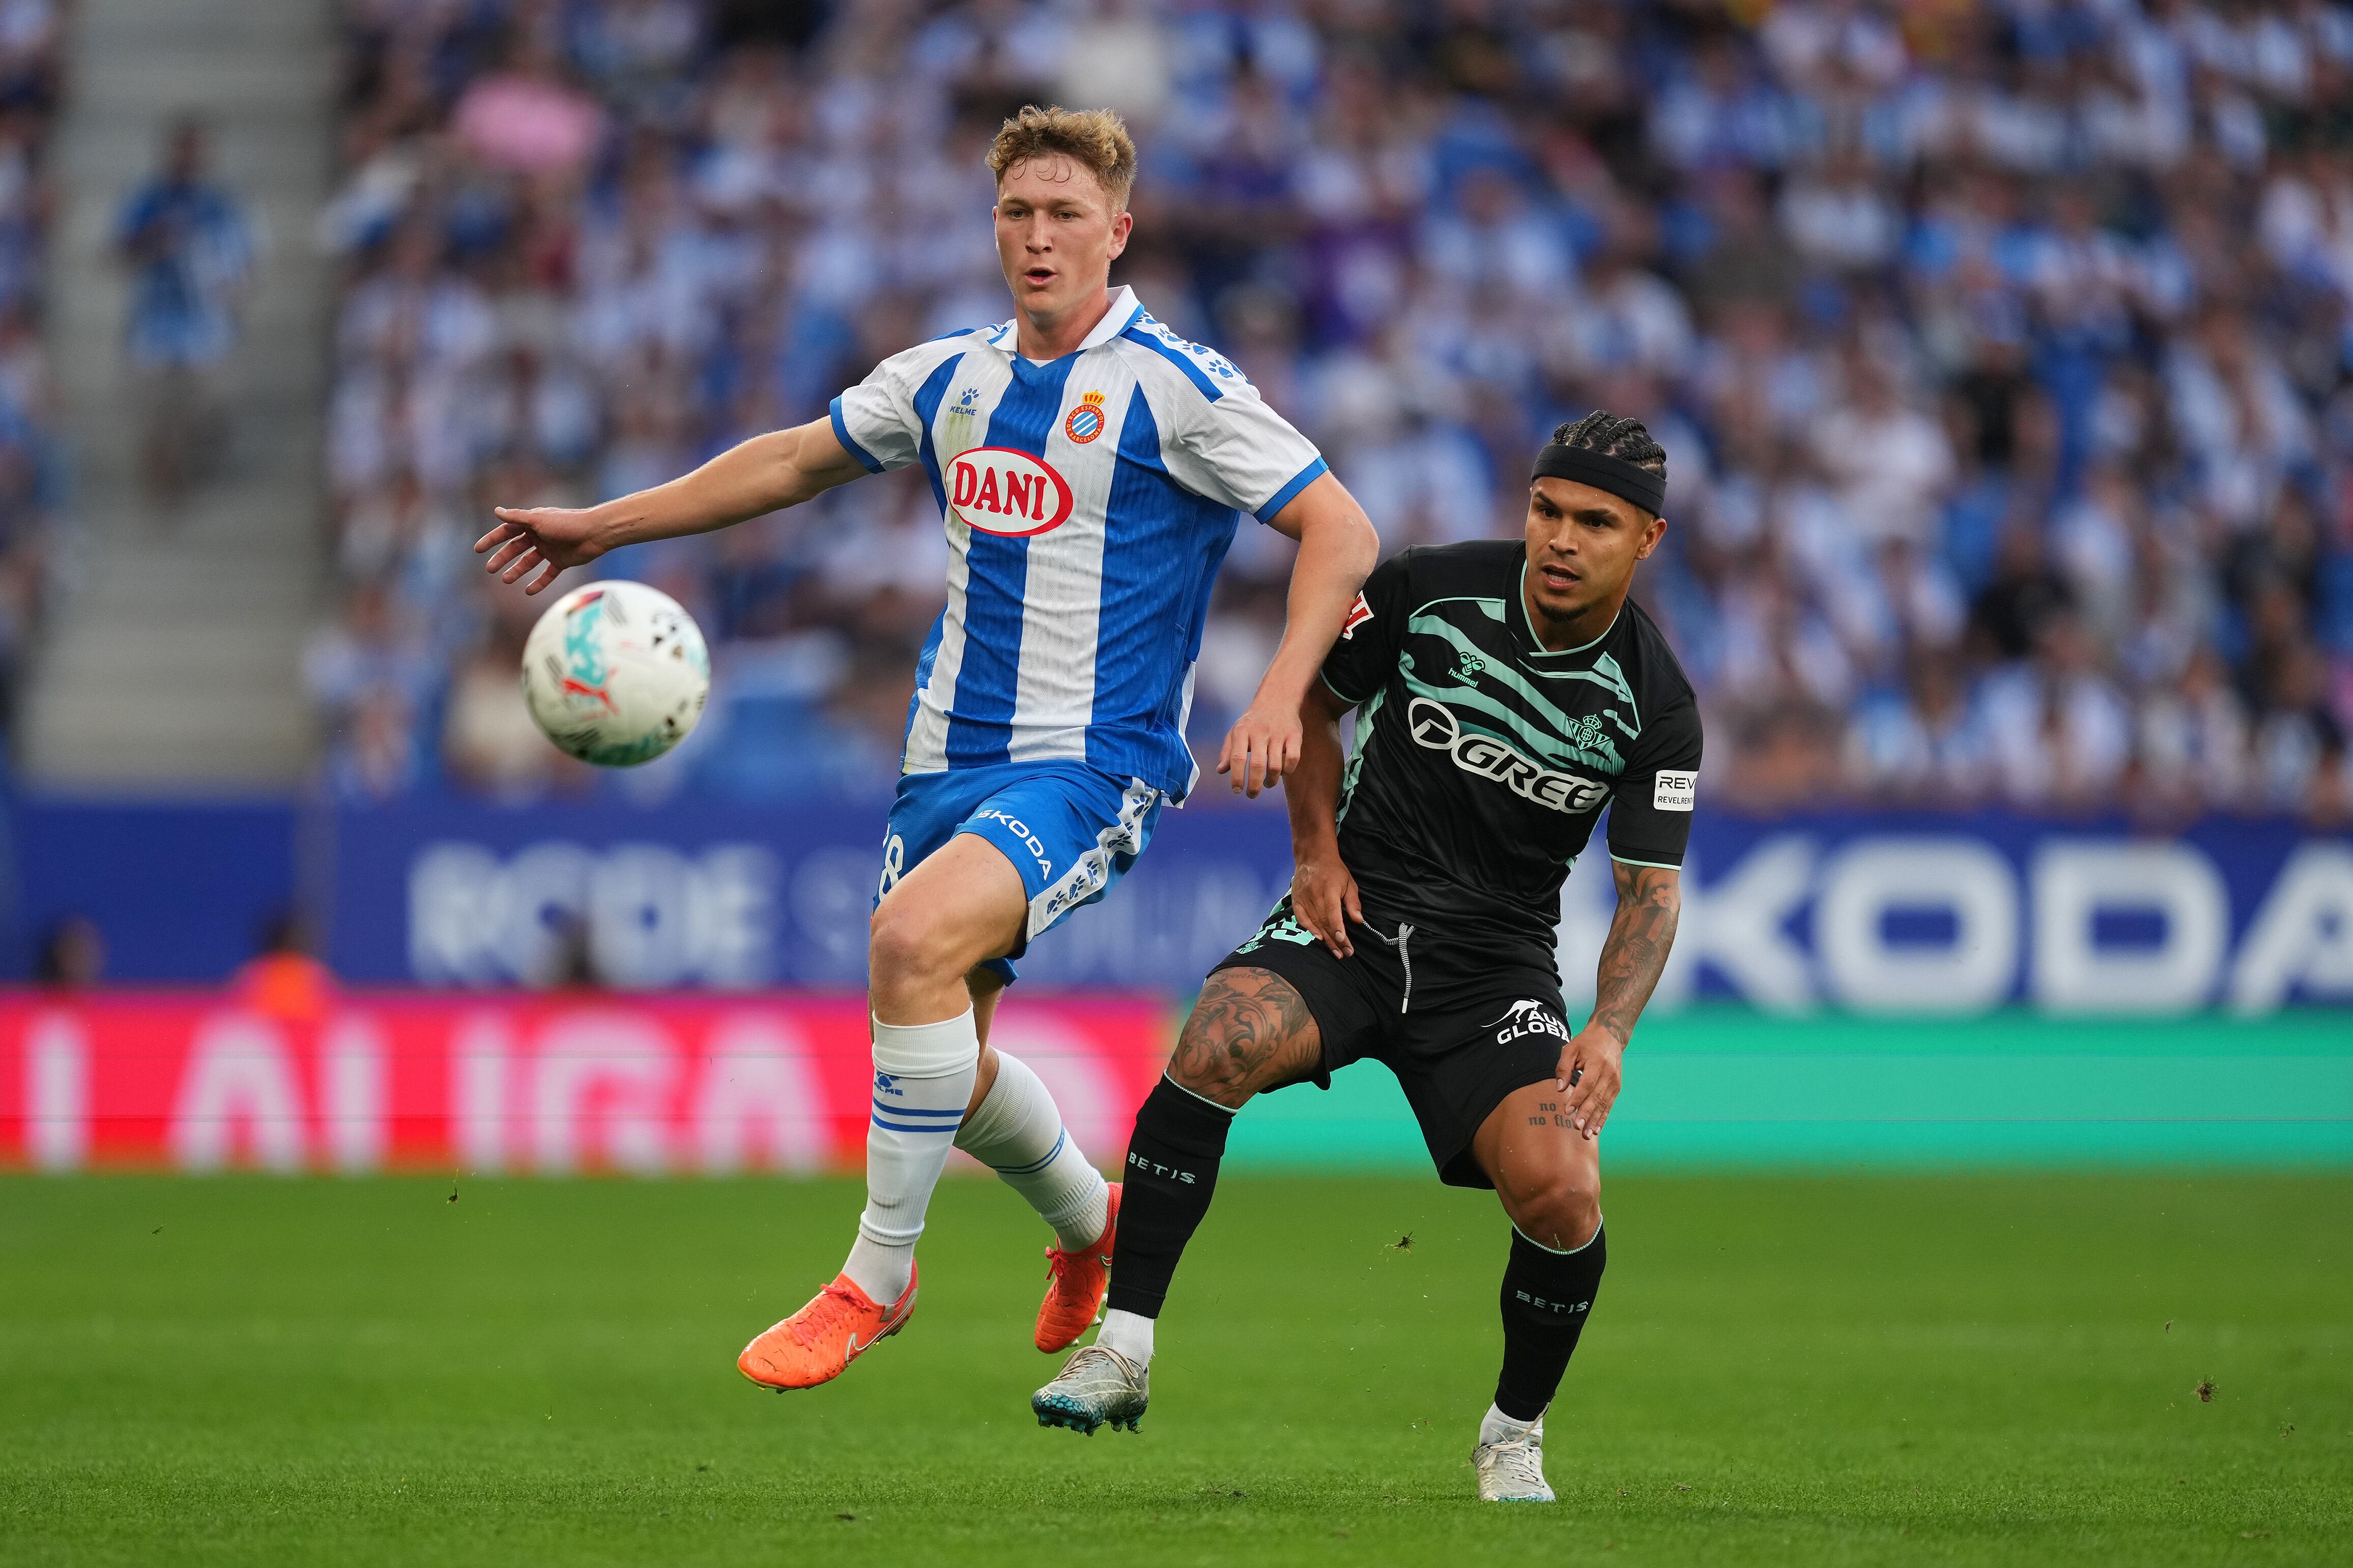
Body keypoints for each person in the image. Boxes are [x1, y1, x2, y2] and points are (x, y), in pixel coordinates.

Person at [474, 105, 1378, 1391]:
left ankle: (874, 1280)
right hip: (943, 760)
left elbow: (1341, 533)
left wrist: (1282, 693)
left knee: (903, 947)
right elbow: (792, 460)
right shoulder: (947, 377)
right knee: (939, 1065)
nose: (1038, 236)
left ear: (1116, 234)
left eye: (1066, 214)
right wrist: (605, 528)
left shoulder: (1178, 388)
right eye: (1017, 212)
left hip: (1089, 765)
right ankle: (1092, 1227)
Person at [1030, 412, 1699, 1507]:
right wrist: (1314, 850)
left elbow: (1649, 891)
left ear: (1645, 540)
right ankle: (1122, 1349)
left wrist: (1610, 1029)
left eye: (1593, 522)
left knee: (1564, 1190)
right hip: (1354, 915)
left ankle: (1511, 1432)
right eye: (1546, 511)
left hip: (1492, 971)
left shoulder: (1654, 700)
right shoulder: (1424, 589)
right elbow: (1313, 701)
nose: (1560, 539)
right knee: (1215, 1038)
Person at [116, 115, 253, 505]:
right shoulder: (147, 200)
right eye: (182, 150)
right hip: (155, 324)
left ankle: (194, 466)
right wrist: (153, 241)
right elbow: (119, 251)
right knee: (152, 404)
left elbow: (244, 268)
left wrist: (229, 291)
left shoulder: (222, 206)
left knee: (215, 404)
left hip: (206, 327)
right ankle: (164, 472)